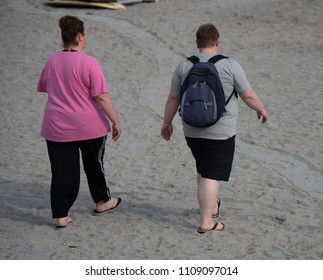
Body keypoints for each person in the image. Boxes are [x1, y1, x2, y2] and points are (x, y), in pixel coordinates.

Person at [161, 23, 268, 234]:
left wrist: (167, 122)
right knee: (211, 174)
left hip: (191, 129)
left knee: (203, 168)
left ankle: (212, 205)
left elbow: (173, 97)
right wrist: (261, 109)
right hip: (221, 130)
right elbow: (247, 94)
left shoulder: (185, 65)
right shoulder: (230, 65)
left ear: (197, 43)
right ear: (217, 42)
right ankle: (207, 221)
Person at [37, 15, 122, 229]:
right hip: (89, 126)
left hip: (56, 125)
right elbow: (101, 96)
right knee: (95, 165)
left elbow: (45, 86)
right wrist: (115, 121)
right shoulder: (89, 62)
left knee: (62, 172)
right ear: (79, 36)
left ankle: (61, 216)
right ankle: (102, 201)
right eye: (84, 35)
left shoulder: (51, 60)